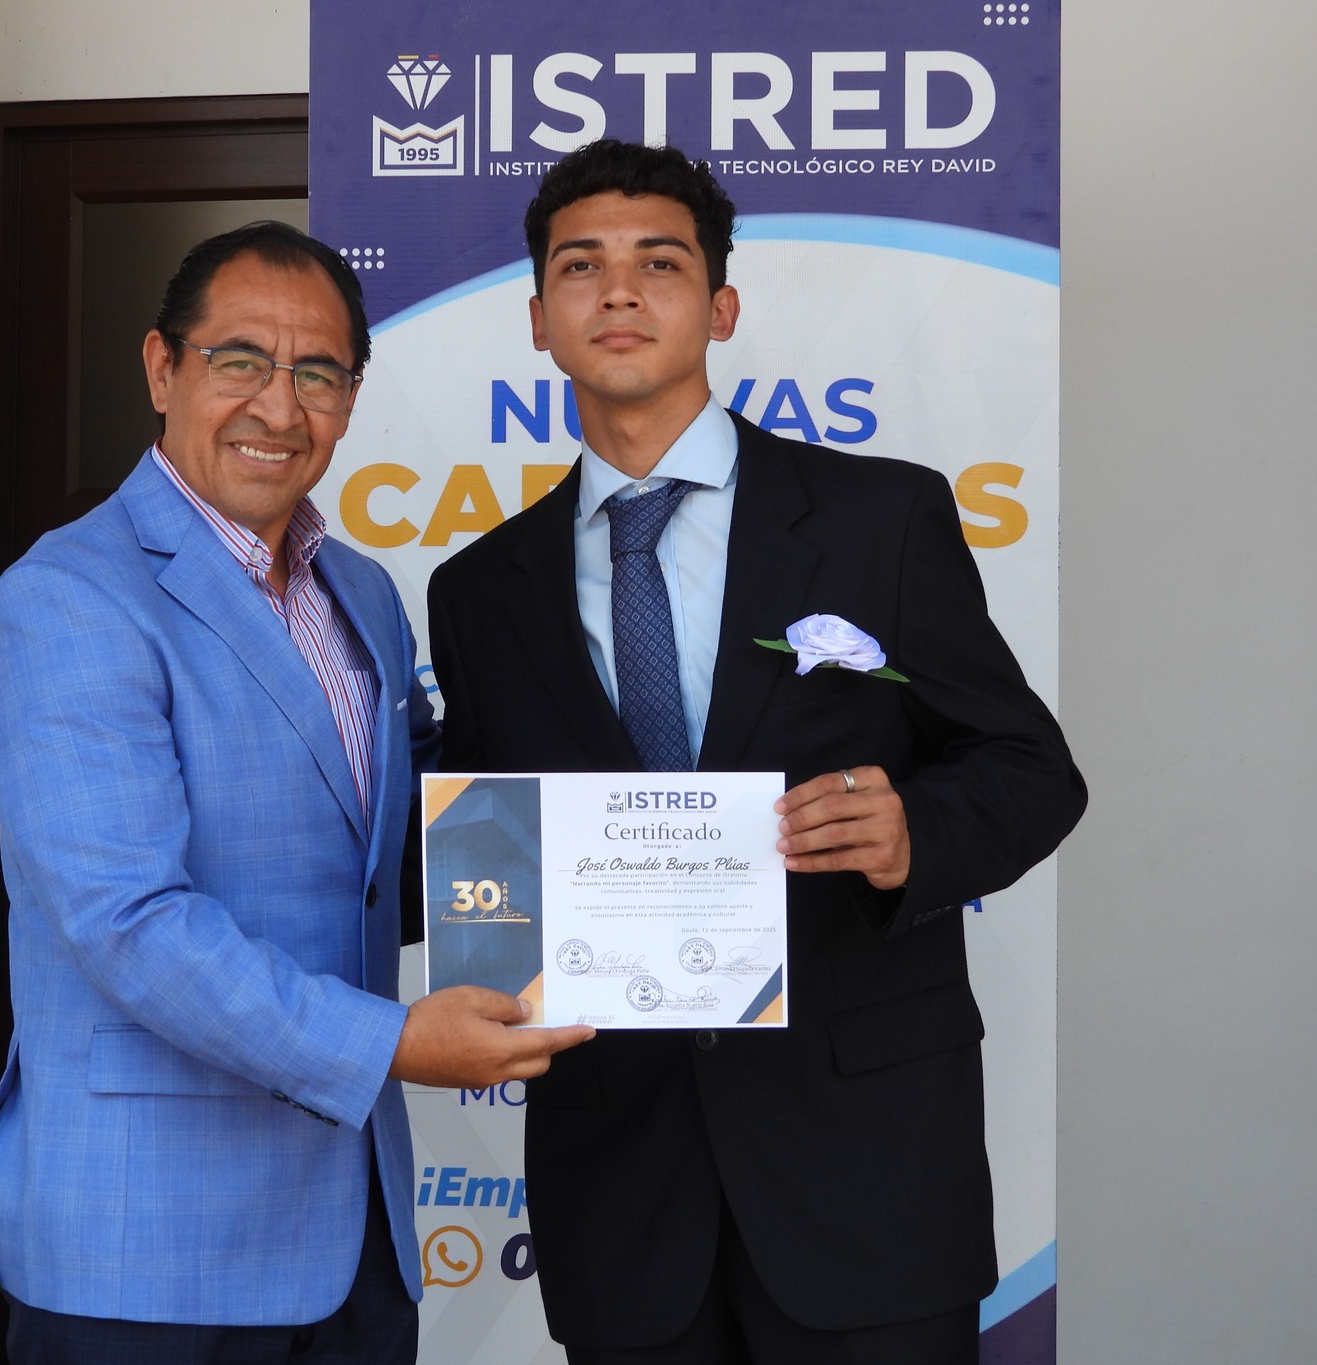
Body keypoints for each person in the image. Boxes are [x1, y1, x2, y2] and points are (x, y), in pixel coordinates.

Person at [426, 142, 1087, 1364]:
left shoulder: (880, 520)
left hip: (867, 1174)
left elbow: (1029, 767)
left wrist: (911, 833)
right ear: (537, 320)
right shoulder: (477, 590)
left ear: (719, 307)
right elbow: (484, 845)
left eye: (658, 263)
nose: (618, 292)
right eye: (580, 266)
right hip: (620, 1189)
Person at [0, 222, 591, 1365]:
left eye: (317, 373)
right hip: (147, 1255)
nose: (278, 405)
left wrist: (652, 846)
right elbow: (127, 923)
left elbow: (398, 854)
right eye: (240, 360)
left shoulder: (361, 592)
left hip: (353, 1245)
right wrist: (392, 1044)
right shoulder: (71, 597)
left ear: (349, 399)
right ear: (162, 368)